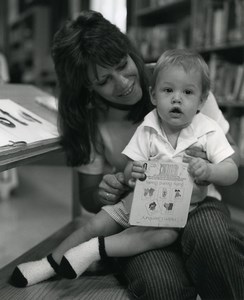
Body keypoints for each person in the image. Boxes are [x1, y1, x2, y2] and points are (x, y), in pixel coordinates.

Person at [10, 10, 244, 300]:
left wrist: (208, 167)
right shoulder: (95, 120)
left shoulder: (178, 79)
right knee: (160, 285)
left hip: (199, 204)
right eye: (104, 80)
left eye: (122, 65)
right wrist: (111, 187)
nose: (122, 83)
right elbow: (90, 196)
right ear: (87, 85)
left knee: (214, 238)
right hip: (141, 216)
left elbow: (234, 157)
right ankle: (64, 260)